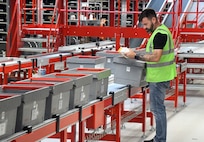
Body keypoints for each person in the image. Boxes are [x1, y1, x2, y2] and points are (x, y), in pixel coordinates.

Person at [124, 9, 177, 142]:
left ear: (154, 20)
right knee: (158, 109)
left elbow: (156, 57)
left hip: (159, 77)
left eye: (146, 24)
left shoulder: (160, 34)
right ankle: (159, 138)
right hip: (161, 75)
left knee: (158, 110)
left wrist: (135, 56)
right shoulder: (162, 31)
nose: (145, 28)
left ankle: (160, 140)